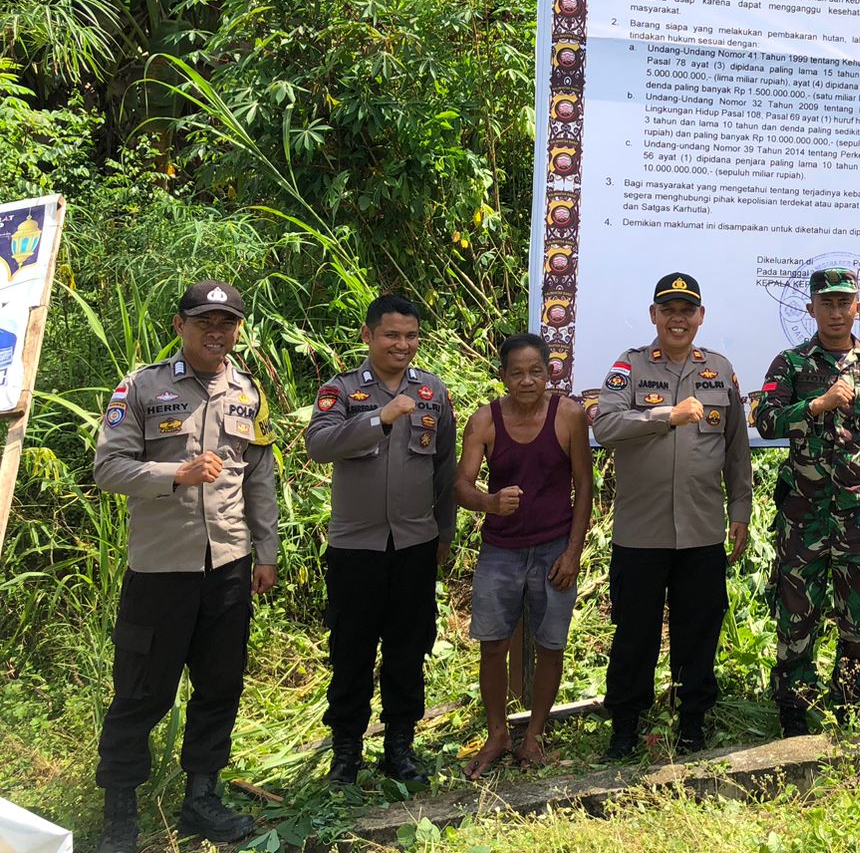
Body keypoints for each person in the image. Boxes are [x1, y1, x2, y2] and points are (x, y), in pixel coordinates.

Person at [92, 280, 279, 853]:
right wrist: (174, 474)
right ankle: (120, 808)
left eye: (226, 323)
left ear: (238, 329)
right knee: (142, 692)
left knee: (219, 685)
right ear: (180, 326)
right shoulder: (142, 388)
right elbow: (108, 469)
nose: (215, 333)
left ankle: (202, 798)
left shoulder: (248, 392)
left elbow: (260, 479)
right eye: (204, 322)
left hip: (227, 566)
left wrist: (265, 551)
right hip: (159, 570)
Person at [592, 273, 753, 759]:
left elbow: (736, 451)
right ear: (654, 316)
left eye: (687, 311)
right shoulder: (630, 367)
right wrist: (665, 416)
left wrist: (740, 509)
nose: (678, 319)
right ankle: (624, 725)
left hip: (702, 530)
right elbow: (605, 425)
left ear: (700, 317)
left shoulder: (721, 372)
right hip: (641, 532)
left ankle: (693, 723)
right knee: (635, 632)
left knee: (698, 628)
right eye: (669, 310)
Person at [306, 293, 458, 784]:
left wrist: (445, 531)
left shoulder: (433, 391)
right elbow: (319, 445)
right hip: (357, 547)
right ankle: (346, 750)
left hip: (414, 543)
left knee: (408, 647)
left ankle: (399, 747)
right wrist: (380, 417)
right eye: (392, 334)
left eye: (411, 336)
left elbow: (444, 468)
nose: (402, 344)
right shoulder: (342, 390)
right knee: (351, 650)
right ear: (369, 335)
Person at [755, 267, 860, 736]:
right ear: (811, 310)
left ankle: (850, 703)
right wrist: (817, 405)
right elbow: (765, 421)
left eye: (845, 303)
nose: (836, 312)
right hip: (804, 513)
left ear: (858, 308)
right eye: (826, 303)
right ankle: (794, 707)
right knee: (797, 614)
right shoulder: (790, 363)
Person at [455, 334, 592, 779]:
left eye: (537, 371)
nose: (528, 380)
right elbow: (461, 486)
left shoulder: (569, 415)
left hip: (555, 548)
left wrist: (573, 552)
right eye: (517, 372)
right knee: (492, 643)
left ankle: (533, 734)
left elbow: (585, 488)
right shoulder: (485, 421)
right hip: (501, 551)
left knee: (551, 644)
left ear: (550, 372)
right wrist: (490, 503)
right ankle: (498, 734)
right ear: (503, 376)